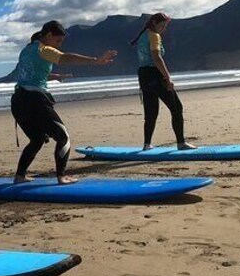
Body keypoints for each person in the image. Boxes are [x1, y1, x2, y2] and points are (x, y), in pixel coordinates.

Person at [11, 20, 116, 185]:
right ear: (49, 35)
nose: (58, 45)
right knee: (63, 137)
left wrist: (55, 77)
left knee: (37, 140)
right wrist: (95, 60)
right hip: (34, 100)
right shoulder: (44, 49)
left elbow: (31, 75)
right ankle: (61, 176)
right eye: (58, 41)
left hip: (18, 101)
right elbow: (66, 58)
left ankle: (20, 176)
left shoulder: (27, 50)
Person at [130, 12, 196, 151]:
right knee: (177, 107)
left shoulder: (143, 35)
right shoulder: (154, 36)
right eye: (162, 25)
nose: (163, 28)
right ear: (154, 22)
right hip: (155, 75)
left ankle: (147, 145)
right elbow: (157, 57)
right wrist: (168, 78)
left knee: (151, 112)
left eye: (165, 26)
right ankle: (181, 143)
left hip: (143, 76)